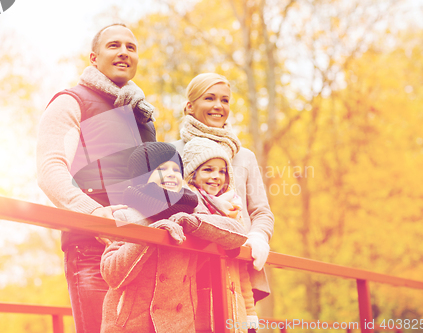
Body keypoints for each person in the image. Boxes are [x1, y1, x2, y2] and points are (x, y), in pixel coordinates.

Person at [36, 23, 156, 333]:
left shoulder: (142, 116)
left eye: (131, 47)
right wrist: (94, 213)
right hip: (92, 249)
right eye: (114, 45)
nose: (124, 52)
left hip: (142, 250)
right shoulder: (70, 102)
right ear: (93, 57)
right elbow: (51, 170)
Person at [100, 142, 248, 333]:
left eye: (176, 169)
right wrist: (152, 234)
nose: (171, 174)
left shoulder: (192, 212)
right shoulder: (125, 215)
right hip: (131, 325)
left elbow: (237, 235)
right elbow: (112, 274)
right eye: (161, 168)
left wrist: (191, 223)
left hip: (180, 324)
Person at [172, 73, 275, 303]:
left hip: (238, 272)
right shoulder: (172, 152)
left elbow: (261, 212)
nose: (218, 106)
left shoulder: (244, 156)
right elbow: (161, 206)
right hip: (187, 270)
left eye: (225, 100)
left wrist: (257, 238)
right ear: (190, 106)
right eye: (209, 98)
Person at [182, 137, 258, 332]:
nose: (216, 176)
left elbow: (241, 269)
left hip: (234, 303)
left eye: (222, 171)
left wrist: (250, 312)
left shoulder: (233, 211)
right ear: (192, 173)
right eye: (208, 170)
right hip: (198, 301)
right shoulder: (190, 206)